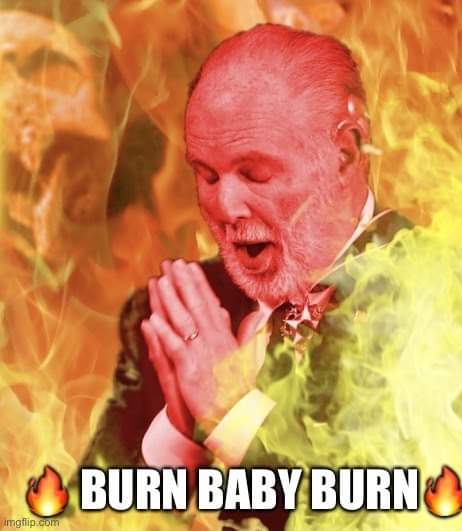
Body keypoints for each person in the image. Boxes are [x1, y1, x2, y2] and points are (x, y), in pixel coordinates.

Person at [80, 23, 409, 529]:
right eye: (207, 175)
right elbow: (77, 515)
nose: (225, 206)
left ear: (346, 152)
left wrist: (232, 415)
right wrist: (178, 437)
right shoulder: (171, 315)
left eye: (255, 173)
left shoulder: (454, 304)